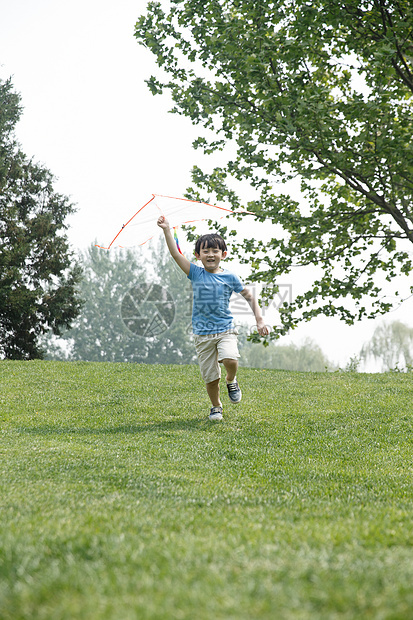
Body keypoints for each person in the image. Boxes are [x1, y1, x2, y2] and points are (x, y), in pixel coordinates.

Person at [157, 216, 269, 421]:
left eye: (215, 251)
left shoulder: (230, 277)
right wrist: (166, 229)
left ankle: (231, 379)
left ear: (223, 254)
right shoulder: (195, 273)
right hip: (202, 334)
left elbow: (249, 297)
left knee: (230, 359)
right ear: (198, 255)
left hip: (225, 329)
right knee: (210, 377)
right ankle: (216, 406)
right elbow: (175, 254)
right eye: (205, 251)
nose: (210, 254)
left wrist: (259, 320)